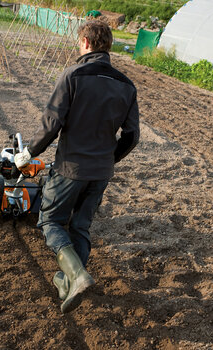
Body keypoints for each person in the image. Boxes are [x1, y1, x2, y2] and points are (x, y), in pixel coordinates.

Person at [14, 20, 140, 314]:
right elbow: (132, 136)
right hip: (101, 172)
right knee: (80, 226)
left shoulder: (72, 75)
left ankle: (77, 275)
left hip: (70, 168)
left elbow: (51, 124)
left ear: (85, 41)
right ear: (107, 45)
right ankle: (66, 282)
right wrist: (110, 158)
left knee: (51, 222)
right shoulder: (126, 85)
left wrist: (29, 153)